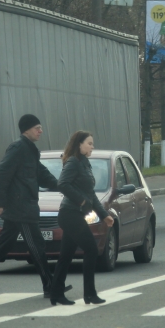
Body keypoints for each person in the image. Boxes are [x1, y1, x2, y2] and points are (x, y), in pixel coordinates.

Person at [0, 114, 69, 303]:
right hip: (21, 209)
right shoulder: (18, 148)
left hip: (24, 207)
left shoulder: (31, 150)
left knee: (2, 247)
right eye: (37, 127)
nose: (41, 131)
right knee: (37, 246)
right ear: (27, 129)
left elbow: (41, 174)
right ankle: (50, 285)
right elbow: (0, 176)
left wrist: (62, 186)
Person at [54, 130, 114, 305]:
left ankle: (56, 293)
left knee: (65, 255)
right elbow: (62, 184)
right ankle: (89, 294)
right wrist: (80, 201)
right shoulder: (73, 162)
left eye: (92, 144)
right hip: (70, 214)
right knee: (92, 249)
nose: (92, 147)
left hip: (75, 215)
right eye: (89, 143)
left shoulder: (85, 163)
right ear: (79, 144)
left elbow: (91, 194)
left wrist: (104, 215)